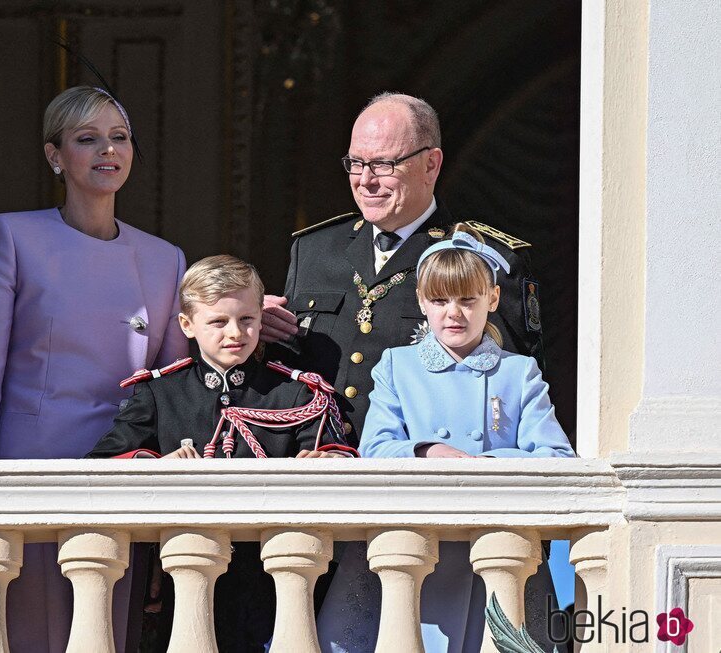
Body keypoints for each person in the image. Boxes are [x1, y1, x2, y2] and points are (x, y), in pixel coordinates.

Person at [0, 86, 187, 652]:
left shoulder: (165, 258)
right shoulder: (12, 235)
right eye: (88, 139)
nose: (108, 151)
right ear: (56, 156)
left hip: (123, 478)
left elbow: (176, 393)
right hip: (28, 475)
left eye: (119, 137)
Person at [316, 226, 574, 653]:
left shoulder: (518, 372)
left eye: (468, 300)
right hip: (412, 549)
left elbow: (556, 457)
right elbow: (375, 449)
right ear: (421, 301)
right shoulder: (397, 366)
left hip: (491, 554)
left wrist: (481, 463)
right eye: (439, 300)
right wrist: (428, 450)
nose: (454, 313)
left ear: (492, 299)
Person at [88, 255, 356, 652]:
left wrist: (328, 463)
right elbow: (100, 466)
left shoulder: (296, 393)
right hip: (185, 575)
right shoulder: (162, 392)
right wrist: (155, 466)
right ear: (187, 325)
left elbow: (336, 455)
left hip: (275, 580)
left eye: (247, 319)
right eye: (218, 322)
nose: (235, 332)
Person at [261, 92, 545, 445]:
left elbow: (510, 397)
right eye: (355, 162)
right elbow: (285, 372)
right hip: (318, 465)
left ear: (431, 165)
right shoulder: (315, 249)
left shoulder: (484, 259)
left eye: (383, 164)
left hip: (419, 474)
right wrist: (255, 336)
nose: (365, 180)